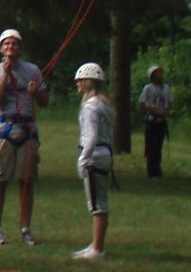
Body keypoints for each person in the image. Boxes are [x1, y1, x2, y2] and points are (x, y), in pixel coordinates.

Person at [0, 28, 48, 247]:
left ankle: (25, 229)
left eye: (15, 44)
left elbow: (44, 101)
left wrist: (35, 91)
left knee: (26, 181)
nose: (10, 47)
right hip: (4, 128)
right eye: (7, 44)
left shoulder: (33, 70)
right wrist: (5, 75)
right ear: (1, 48)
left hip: (28, 129)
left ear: (20, 47)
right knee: (0, 179)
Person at [72, 62, 114, 261]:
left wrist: (83, 159)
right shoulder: (103, 103)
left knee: (96, 205)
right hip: (105, 153)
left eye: (80, 81)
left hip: (95, 156)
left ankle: (97, 249)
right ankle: (96, 245)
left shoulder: (90, 107)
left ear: (87, 82)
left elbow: (91, 136)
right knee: (100, 203)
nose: (77, 85)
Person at [137, 65, 172, 177]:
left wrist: (165, 111)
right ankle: (151, 170)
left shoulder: (166, 88)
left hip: (162, 121)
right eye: (157, 73)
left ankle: (157, 169)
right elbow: (142, 104)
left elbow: (170, 102)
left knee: (158, 146)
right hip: (152, 120)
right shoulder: (148, 88)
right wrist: (154, 110)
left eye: (161, 73)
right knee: (151, 146)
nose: (160, 75)